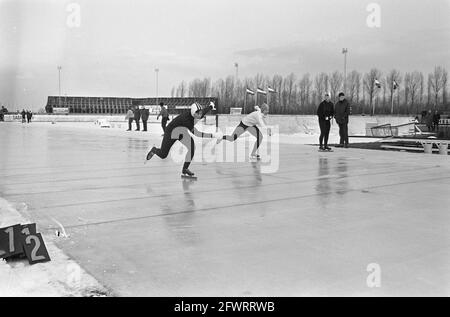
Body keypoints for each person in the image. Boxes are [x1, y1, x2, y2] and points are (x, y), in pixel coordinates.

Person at [146, 101, 219, 178]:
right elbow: (197, 133)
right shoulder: (186, 120)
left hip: (181, 132)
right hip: (171, 132)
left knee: (191, 147)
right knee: (163, 154)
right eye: (198, 114)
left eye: (200, 114)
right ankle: (154, 150)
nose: (200, 116)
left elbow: (204, 110)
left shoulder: (198, 114)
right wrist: (212, 135)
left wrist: (211, 106)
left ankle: (185, 168)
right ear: (194, 113)